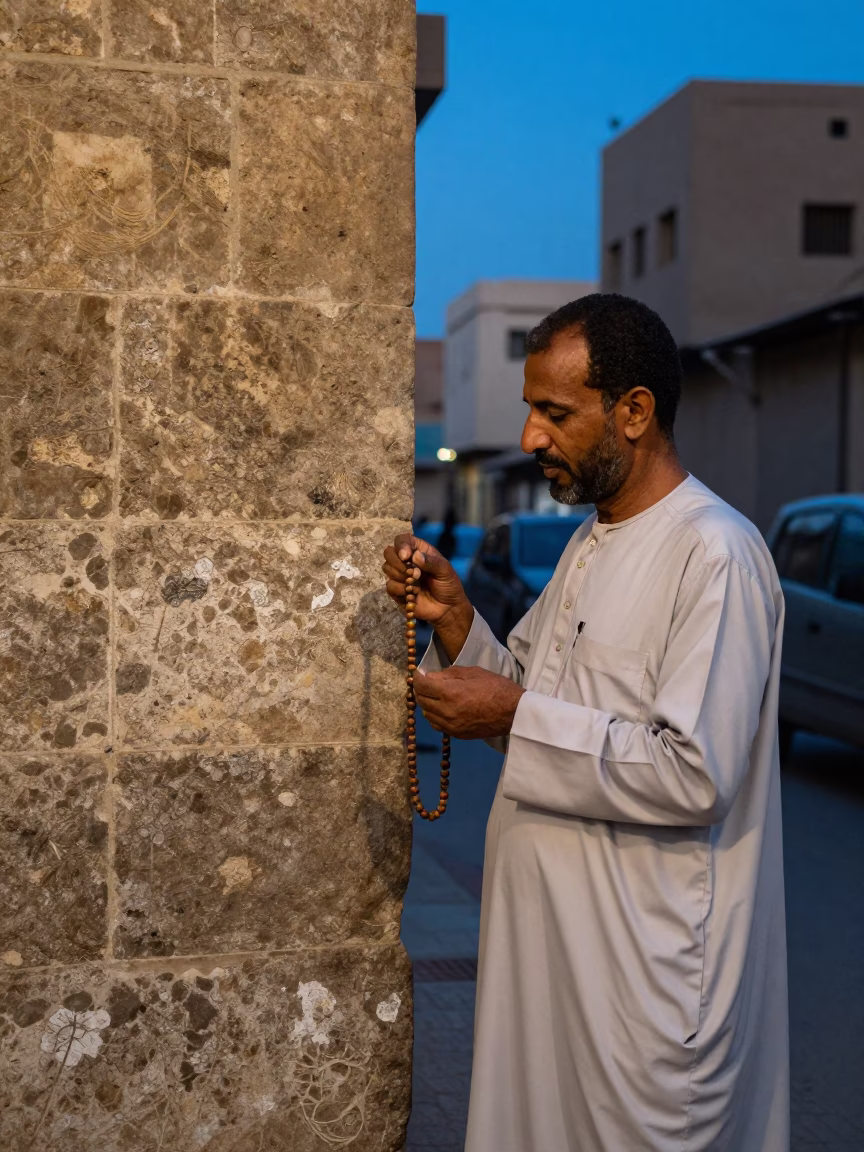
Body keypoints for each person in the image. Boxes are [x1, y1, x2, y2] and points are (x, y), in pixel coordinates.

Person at [382, 294, 788, 1152]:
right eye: (532, 410)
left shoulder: (715, 552)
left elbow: (694, 773)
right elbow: (534, 700)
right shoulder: (590, 542)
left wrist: (518, 712)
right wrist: (458, 622)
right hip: (551, 974)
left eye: (554, 413)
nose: (531, 438)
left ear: (634, 411)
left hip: (641, 998)